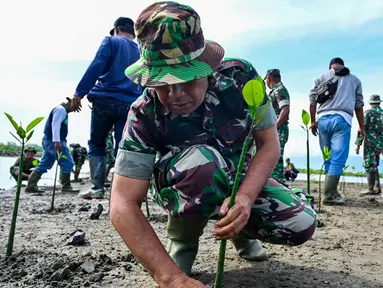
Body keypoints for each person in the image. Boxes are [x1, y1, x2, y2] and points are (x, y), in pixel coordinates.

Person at [110, 2, 317, 287]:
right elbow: (122, 202)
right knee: (203, 163)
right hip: (182, 183)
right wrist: (168, 276)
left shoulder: (239, 78)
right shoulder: (144, 113)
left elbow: (268, 143)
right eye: (163, 83)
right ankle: (183, 239)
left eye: (186, 79)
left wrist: (244, 197)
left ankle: (240, 231)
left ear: (205, 67)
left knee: (300, 223)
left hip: (238, 181)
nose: (176, 94)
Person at [71, 17, 142, 200]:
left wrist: (80, 92)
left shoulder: (110, 41)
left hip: (104, 101)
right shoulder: (141, 49)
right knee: (123, 146)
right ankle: (122, 192)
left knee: (97, 144)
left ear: (116, 29)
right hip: (130, 104)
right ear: (133, 33)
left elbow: (97, 64)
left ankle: (97, 188)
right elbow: (145, 79)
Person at [309, 57, 364, 205]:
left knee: (328, 158)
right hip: (342, 119)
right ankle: (328, 195)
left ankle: (331, 191)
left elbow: (312, 100)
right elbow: (358, 106)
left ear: (330, 67)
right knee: (338, 159)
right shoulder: (355, 80)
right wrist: (362, 127)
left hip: (322, 120)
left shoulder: (321, 77)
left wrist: (313, 121)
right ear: (342, 66)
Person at [25, 98, 80, 193]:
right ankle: (66, 186)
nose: (74, 110)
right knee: (68, 162)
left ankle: (31, 186)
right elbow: (55, 125)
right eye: (75, 107)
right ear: (70, 102)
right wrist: (57, 141)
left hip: (49, 140)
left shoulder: (63, 111)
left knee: (44, 164)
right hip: (53, 141)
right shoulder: (61, 110)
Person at [264, 69, 290, 183]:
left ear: (268, 79)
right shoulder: (276, 90)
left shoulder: (279, 90)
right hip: (275, 128)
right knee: (271, 156)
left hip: (278, 129)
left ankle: (277, 182)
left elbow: (285, 110)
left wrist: (274, 127)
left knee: (276, 157)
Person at [355, 94, 383, 196]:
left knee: (369, 164)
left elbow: (361, 129)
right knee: (374, 164)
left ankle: (370, 189)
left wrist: (358, 144)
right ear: (379, 102)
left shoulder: (368, 113)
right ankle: (377, 187)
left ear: (371, 103)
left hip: (370, 142)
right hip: (380, 144)